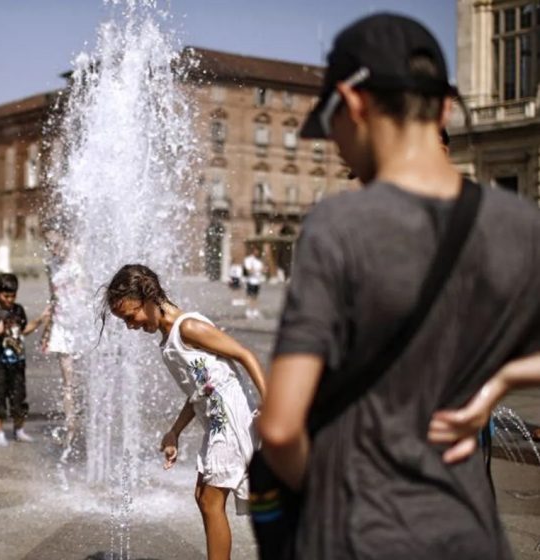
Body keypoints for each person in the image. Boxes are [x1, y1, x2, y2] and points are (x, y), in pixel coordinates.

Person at [257, 14, 540, 559]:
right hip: (472, 533)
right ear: (444, 107)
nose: (335, 145)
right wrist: (496, 384)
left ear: (354, 103)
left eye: (331, 124)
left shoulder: (340, 226)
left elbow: (280, 426)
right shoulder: (520, 225)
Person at [102, 264, 267, 560]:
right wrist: (175, 431)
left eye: (131, 316)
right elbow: (200, 390)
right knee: (204, 498)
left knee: (210, 501)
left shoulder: (188, 327)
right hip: (217, 420)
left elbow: (245, 355)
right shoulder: (169, 340)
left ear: (148, 297)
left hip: (230, 419)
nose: (130, 325)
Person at [0, 272, 49, 446]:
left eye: (12, 296)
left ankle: (19, 430)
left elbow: (23, 330)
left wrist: (40, 320)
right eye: (5, 295)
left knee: (19, 397)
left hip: (17, 362)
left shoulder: (18, 310)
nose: (9, 299)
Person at [41, 226, 85, 459]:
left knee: (86, 378)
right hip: (63, 326)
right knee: (68, 381)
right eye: (48, 244)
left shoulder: (80, 253)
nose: (53, 248)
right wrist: (47, 327)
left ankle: (88, 416)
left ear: (67, 239)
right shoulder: (51, 265)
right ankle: (71, 427)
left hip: (84, 325)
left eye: (56, 243)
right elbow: (53, 297)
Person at [242, 247, 265, 319]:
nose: (257, 253)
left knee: (255, 296)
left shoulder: (259, 261)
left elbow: (263, 270)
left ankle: (255, 310)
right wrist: (257, 270)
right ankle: (249, 311)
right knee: (250, 296)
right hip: (250, 281)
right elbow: (248, 271)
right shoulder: (248, 260)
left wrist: (259, 270)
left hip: (257, 281)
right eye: (255, 251)